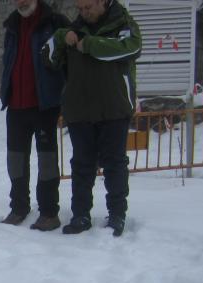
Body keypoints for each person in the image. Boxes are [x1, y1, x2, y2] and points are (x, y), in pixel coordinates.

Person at [44, 0, 141, 236]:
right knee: (81, 165)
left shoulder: (124, 23)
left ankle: (117, 214)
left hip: (114, 108)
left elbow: (130, 48)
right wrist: (60, 37)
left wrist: (90, 45)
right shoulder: (73, 30)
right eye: (80, 9)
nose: (84, 13)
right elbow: (48, 57)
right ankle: (80, 214)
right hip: (80, 110)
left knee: (115, 164)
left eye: (88, 7)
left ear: (103, 2)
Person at [0, 0, 69, 231]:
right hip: (16, 105)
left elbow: (67, 63)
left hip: (44, 104)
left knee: (47, 161)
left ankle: (49, 212)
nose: (21, 2)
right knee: (15, 161)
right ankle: (19, 207)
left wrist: (64, 97)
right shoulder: (12, 25)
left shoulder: (55, 22)